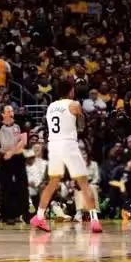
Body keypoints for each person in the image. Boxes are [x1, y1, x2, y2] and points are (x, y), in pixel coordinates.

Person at [29, 80, 102, 233]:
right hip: (68, 144)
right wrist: (82, 118)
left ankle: (39, 216)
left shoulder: (51, 106)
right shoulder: (74, 104)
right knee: (83, 183)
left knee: (52, 183)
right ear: (71, 91)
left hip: (53, 145)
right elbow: (82, 126)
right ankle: (95, 220)